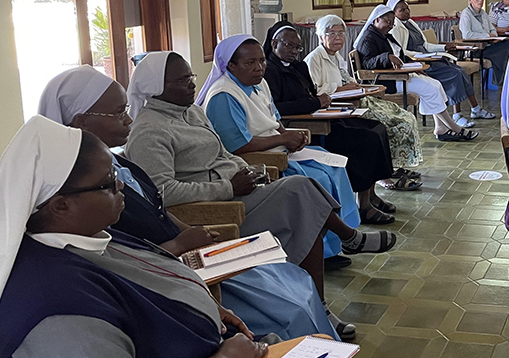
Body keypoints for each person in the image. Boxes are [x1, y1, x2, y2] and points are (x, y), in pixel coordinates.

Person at [35, 66, 407, 358]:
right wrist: (186, 255)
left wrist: (188, 241)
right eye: (118, 112)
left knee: (295, 281)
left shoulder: (107, 178)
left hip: (188, 272)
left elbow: (157, 212)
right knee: (287, 306)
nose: (129, 115)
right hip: (186, 285)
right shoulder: (63, 275)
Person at [0, 116, 372, 358]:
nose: (121, 189)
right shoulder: (55, 312)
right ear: (59, 205)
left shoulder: (83, 237)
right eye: (108, 184)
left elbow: (143, 283)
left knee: (305, 356)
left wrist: (207, 311)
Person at [124, 52, 396, 298]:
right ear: (156, 87)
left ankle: (320, 296)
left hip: (240, 190)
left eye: (191, 76)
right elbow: (161, 192)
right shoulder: (150, 131)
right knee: (303, 197)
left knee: (304, 193)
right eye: (182, 80)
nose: (192, 84)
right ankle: (346, 245)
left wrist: (250, 171)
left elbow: (223, 152)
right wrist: (227, 187)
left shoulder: (192, 112)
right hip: (216, 211)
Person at [202, 35, 397, 236]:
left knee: (335, 168)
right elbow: (237, 146)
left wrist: (290, 136)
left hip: (283, 150)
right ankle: (325, 244)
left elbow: (275, 120)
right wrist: (283, 139)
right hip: (264, 161)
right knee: (319, 178)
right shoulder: (224, 96)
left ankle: (341, 238)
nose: (259, 67)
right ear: (231, 66)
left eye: (262, 61)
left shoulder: (259, 83)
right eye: (250, 62)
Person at [262, 24, 408, 222]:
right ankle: (362, 206)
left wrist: (320, 102)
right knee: (367, 140)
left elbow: (312, 94)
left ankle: (371, 196)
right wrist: (316, 102)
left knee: (378, 128)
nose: (294, 52)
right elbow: (278, 107)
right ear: (274, 43)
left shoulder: (299, 66)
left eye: (298, 48)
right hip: (309, 128)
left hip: (323, 116)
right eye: (289, 46)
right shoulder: (270, 71)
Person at [305, 15, 424, 179]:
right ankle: (386, 173)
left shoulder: (336, 56)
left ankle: (395, 166)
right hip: (341, 106)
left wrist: (357, 87)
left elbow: (348, 80)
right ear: (320, 37)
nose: (338, 38)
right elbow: (315, 90)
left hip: (356, 99)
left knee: (405, 116)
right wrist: (341, 88)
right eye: (332, 34)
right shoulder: (314, 59)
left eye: (341, 34)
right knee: (392, 123)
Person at [355, 4, 478, 142]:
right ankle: (455, 128)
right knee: (429, 88)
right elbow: (368, 63)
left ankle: (440, 128)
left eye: (392, 23)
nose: (390, 25)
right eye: (388, 22)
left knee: (436, 84)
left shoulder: (384, 35)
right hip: (386, 80)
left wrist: (416, 66)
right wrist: (387, 57)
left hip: (400, 75)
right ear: (376, 20)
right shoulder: (368, 38)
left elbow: (400, 56)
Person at [387, 0, 494, 129]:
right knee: (454, 74)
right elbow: (402, 52)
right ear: (394, 13)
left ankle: (475, 108)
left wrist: (444, 47)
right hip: (420, 62)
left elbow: (426, 45)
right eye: (402, 10)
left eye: (407, 8)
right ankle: (457, 115)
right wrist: (422, 56)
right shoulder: (396, 27)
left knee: (460, 71)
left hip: (430, 57)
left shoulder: (411, 23)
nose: (407, 12)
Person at [458, 0, 509, 83]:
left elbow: (492, 29)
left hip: (489, 44)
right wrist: (487, 35)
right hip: (476, 49)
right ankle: (502, 80)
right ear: (470, 0)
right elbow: (467, 35)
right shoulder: (466, 14)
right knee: (504, 51)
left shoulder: (483, 13)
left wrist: (493, 35)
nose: (480, 0)